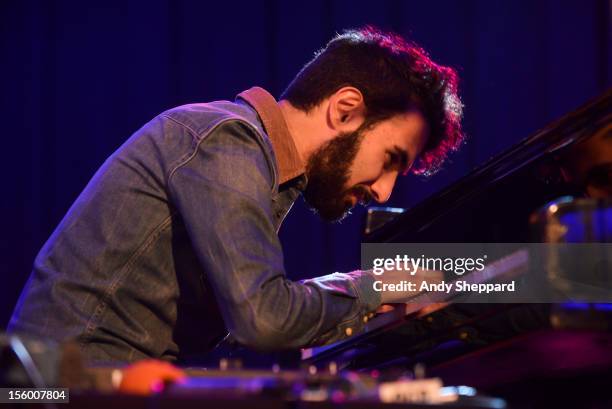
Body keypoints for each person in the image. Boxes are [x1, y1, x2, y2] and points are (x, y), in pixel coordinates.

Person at [8, 26, 464, 364]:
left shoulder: (251, 158)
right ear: (345, 110)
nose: (383, 190)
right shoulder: (227, 140)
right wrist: (374, 287)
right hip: (65, 387)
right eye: (390, 158)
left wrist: (365, 295)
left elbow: (258, 305)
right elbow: (263, 316)